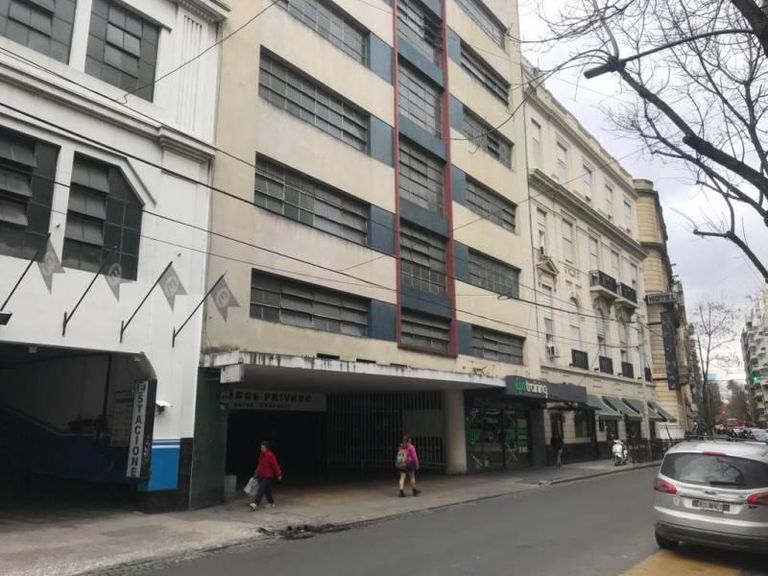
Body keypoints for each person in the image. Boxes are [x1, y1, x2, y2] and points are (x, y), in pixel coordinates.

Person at [249, 441, 282, 511]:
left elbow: (275, 465)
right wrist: (256, 473)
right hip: (261, 475)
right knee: (267, 490)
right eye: (261, 447)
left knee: (261, 489)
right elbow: (259, 465)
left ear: (267, 448)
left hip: (268, 476)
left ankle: (255, 503)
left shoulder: (270, 455)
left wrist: (279, 474)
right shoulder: (261, 455)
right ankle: (271, 503)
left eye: (263, 447)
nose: (261, 449)